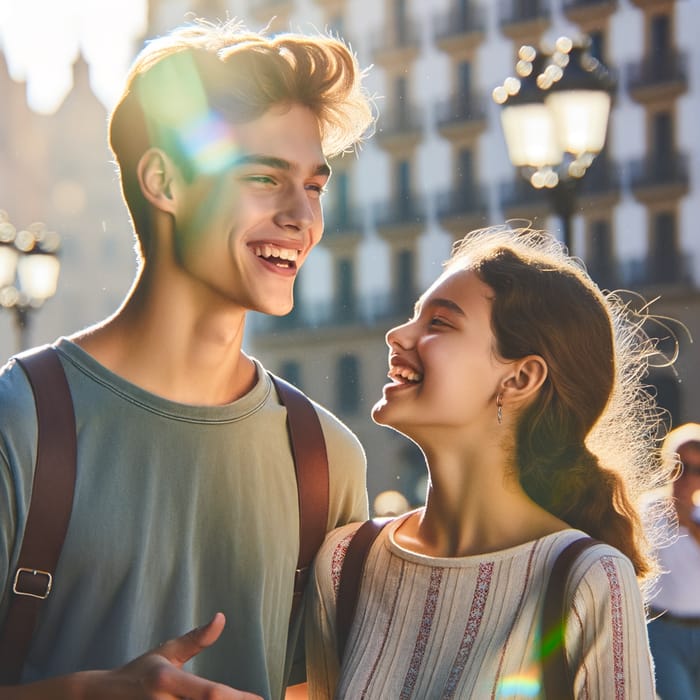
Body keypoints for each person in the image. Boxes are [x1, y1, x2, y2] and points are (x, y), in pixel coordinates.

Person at [0, 17, 375, 700]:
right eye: (266, 177)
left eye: (314, 186)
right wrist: (85, 695)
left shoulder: (327, 459)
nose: (303, 217)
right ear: (165, 183)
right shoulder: (16, 423)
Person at [306, 225, 670, 699]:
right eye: (416, 316)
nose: (397, 334)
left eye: (439, 323)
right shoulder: (345, 561)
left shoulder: (587, 578)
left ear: (520, 377)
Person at [648, 422, 700, 699]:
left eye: (696, 470)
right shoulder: (646, 508)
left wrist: (689, 523)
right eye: (679, 465)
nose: (685, 477)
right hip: (663, 629)